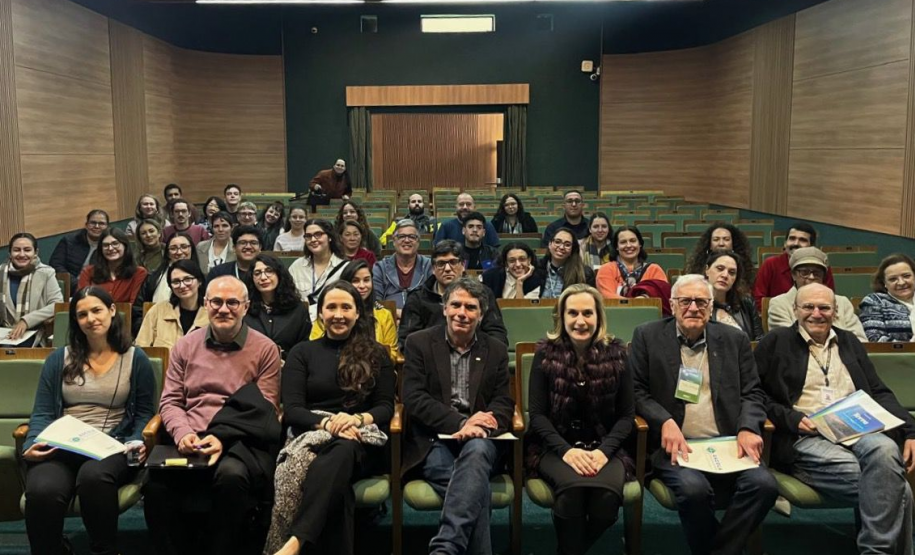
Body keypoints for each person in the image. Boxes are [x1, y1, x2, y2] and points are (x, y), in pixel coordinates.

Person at [755, 282, 915, 555]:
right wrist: (791, 418)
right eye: (808, 307)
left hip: (858, 428)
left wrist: (910, 431)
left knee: (886, 449)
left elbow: (877, 391)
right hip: (806, 436)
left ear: (836, 311)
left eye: (824, 307)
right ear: (796, 309)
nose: (816, 313)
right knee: (898, 489)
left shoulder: (849, 341)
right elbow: (756, 394)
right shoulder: (776, 341)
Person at [630, 274, 778, 555]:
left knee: (765, 485)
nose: (693, 308)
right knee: (694, 490)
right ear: (672, 305)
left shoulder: (734, 339)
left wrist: (748, 427)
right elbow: (636, 392)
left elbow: (753, 392)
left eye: (701, 301)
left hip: (727, 444)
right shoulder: (647, 336)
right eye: (685, 301)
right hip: (676, 448)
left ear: (711, 306)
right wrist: (665, 421)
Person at [144, 276, 282, 555]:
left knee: (232, 477)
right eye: (216, 302)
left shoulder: (265, 348)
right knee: (156, 484)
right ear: (206, 305)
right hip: (191, 438)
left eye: (232, 302)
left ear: (245, 307)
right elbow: (170, 401)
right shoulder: (185, 345)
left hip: (241, 441)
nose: (224, 309)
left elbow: (265, 407)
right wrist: (183, 434)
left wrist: (221, 437)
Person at [22, 286, 156, 555]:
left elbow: (144, 412)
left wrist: (137, 438)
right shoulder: (58, 358)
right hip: (64, 445)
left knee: (93, 477)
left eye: (96, 310)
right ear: (76, 321)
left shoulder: (135, 358)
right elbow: (43, 411)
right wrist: (31, 443)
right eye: (82, 314)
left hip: (112, 445)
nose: (91, 319)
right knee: (42, 490)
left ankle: (104, 549)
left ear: (111, 311)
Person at [268, 281, 394, 555]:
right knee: (338, 488)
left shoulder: (376, 353)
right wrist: (327, 424)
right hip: (312, 435)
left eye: (346, 307)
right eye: (331, 307)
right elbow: (293, 409)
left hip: (363, 441)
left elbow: (386, 407)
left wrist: (357, 420)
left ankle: (295, 542)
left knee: (345, 449)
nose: (339, 314)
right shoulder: (302, 353)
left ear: (358, 313)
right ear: (320, 314)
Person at [401, 277, 514, 555]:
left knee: (476, 451)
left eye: (471, 307)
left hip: (481, 440)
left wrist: (481, 425)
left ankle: (446, 547)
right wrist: (462, 423)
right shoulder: (419, 343)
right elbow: (413, 398)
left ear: (481, 314)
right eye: (456, 305)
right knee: (477, 491)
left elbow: (503, 401)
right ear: (444, 308)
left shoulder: (495, 349)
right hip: (433, 439)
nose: (462, 313)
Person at [527, 285, 633, 555]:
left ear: (599, 317)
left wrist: (603, 452)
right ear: (561, 317)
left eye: (588, 313)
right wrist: (567, 451)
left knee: (607, 501)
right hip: (554, 446)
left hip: (606, 446)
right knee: (571, 494)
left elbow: (626, 416)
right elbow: (537, 415)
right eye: (572, 313)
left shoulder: (618, 354)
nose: (580, 321)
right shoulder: (545, 354)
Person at [398, 240, 507, 350]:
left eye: (453, 262)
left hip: (475, 357)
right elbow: (407, 340)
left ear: (463, 265)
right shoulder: (417, 298)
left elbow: (497, 335)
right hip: (431, 360)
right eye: (441, 264)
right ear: (433, 269)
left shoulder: (483, 293)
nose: (447, 269)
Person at [767, 247, 866, 341]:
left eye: (817, 272)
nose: (811, 277)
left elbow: (860, 341)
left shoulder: (842, 303)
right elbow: (787, 343)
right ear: (793, 275)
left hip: (842, 357)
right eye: (804, 272)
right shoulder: (779, 304)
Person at [310, 259, 399, 360]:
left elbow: (392, 353)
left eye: (366, 280)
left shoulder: (384, 315)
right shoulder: (328, 314)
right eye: (355, 281)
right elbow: (314, 348)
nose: (362, 286)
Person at [0, 232, 64, 347]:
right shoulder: (1, 273)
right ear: (10, 253)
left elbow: (57, 304)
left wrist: (27, 321)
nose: (22, 254)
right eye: (16, 250)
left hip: (34, 334)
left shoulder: (46, 273)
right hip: (4, 334)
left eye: (27, 250)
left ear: (36, 253)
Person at [753, 223, 836, 310]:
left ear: (812, 247)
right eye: (792, 239)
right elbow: (759, 299)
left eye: (803, 240)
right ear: (785, 243)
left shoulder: (820, 267)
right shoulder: (770, 264)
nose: (796, 243)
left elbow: (829, 297)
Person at [244, 254, 311, 359]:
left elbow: (304, 347)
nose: (263, 277)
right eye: (257, 273)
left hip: (289, 369)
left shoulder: (298, 310)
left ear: (279, 274)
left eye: (269, 271)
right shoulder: (244, 309)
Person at [132, 232, 199, 336]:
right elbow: (138, 310)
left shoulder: (203, 278)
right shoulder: (153, 278)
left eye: (184, 247)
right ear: (167, 253)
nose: (179, 252)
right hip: (157, 334)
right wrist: (150, 329)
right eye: (173, 248)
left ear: (191, 250)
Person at [135, 260, 209, 349]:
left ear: (199, 281)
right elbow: (141, 347)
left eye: (187, 279)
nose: (182, 285)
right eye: (176, 282)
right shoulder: (157, 311)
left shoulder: (211, 312)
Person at [288, 219, 348, 321]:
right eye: (308, 236)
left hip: (334, 322)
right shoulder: (296, 267)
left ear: (329, 237)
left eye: (318, 234)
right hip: (301, 323)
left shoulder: (344, 267)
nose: (313, 239)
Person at [373, 219, 432, 313]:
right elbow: (376, 302)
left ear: (418, 241)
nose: (407, 240)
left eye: (412, 237)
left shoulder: (429, 266)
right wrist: (395, 314)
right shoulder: (380, 268)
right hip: (388, 321)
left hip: (422, 322)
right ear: (393, 241)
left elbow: (434, 302)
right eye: (401, 236)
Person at [705, 250, 763, 341]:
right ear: (707, 270)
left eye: (732, 272)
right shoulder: (695, 304)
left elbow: (759, 340)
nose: (725, 275)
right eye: (720, 268)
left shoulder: (746, 303)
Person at [596, 226, 667, 300]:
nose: (629, 245)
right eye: (623, 242)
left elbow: (662, 296)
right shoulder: (606, 270)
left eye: (633, 241)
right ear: (617, 247)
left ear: (640, 244)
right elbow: (608, 298)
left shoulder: (654, 270)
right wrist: (638, 302)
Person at [78, 228, 147, 304]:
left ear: (125, 246)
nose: (110, 248)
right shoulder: (88, 272)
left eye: (115, 243)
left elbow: (134, 305)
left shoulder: (139, 272)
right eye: (105, 245)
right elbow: (82, 301)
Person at [858, 253, 915, 342]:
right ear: (884, 282)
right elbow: (875, 338)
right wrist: (908, 349)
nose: (901, 282)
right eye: (893, 279)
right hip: (899, 355)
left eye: (906, 276)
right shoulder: (874, 301)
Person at [685, 223, 756, 292]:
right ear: (709, 244)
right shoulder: (697, 265)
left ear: (733, 243)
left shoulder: (744, 265)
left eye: (726, 239)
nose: (721, 243)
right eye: (716, 239)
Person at [50, 209, 109, 287]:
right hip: (69, 287)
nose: (97, 226)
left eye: (101, 223)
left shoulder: (110, 246)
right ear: (86, 225)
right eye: (93, 223)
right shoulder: (68, 241)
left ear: (107, 227)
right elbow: (56, 265)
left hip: (97, 289)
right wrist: (77, 284)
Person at [540, 228, 596, 299]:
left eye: (567, 245)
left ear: (572, 250)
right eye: (557, 242)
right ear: (550, 244)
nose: (561, 247)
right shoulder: (536, 269)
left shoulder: (585, 273)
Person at [433, 193, 500, 248]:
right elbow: (438, 249)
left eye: (468, 204)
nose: (465, 207)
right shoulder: (446, 226)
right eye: (461, 204)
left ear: (474, 207)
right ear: (456, 207)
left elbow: (494, 250)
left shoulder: (487, 225)